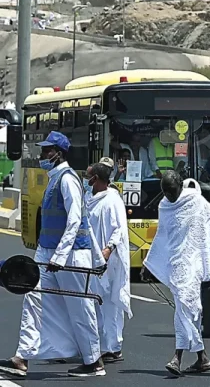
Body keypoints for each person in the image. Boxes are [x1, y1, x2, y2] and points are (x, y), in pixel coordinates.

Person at [0, 131, 106, 378]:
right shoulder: (54, 178)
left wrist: (60, 256)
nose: (43, 155)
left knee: (80, 308)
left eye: (48, 151)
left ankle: (94, 361)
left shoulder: (68, 180)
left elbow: (76, 220)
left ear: (59, 153)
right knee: (33, 299)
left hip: (68, 256)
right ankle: (21, 357)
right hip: (47, 253)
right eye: (43, 150)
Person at [142, 171, 210, 376]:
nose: (168, 195)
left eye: (171, 190)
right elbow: (161, 236)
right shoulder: (164, 206)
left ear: (180, 186)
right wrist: (148, 263)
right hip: (176, 265)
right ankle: (201, 357)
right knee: (188, 310)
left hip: (194, 264)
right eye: (165, 191)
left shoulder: (196, 201)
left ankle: (177, 358)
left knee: (185, 309)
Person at [84, 163, 131, 364]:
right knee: (95, 301)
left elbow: (119, 229)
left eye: (88, 176)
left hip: (109, 259)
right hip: (91, 257)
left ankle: (113, 346)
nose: (85, 180)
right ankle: (101, 345)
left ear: (97, 179)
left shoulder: (113, 199)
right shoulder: (88, 198)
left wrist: (108, 249)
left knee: (109, 303)